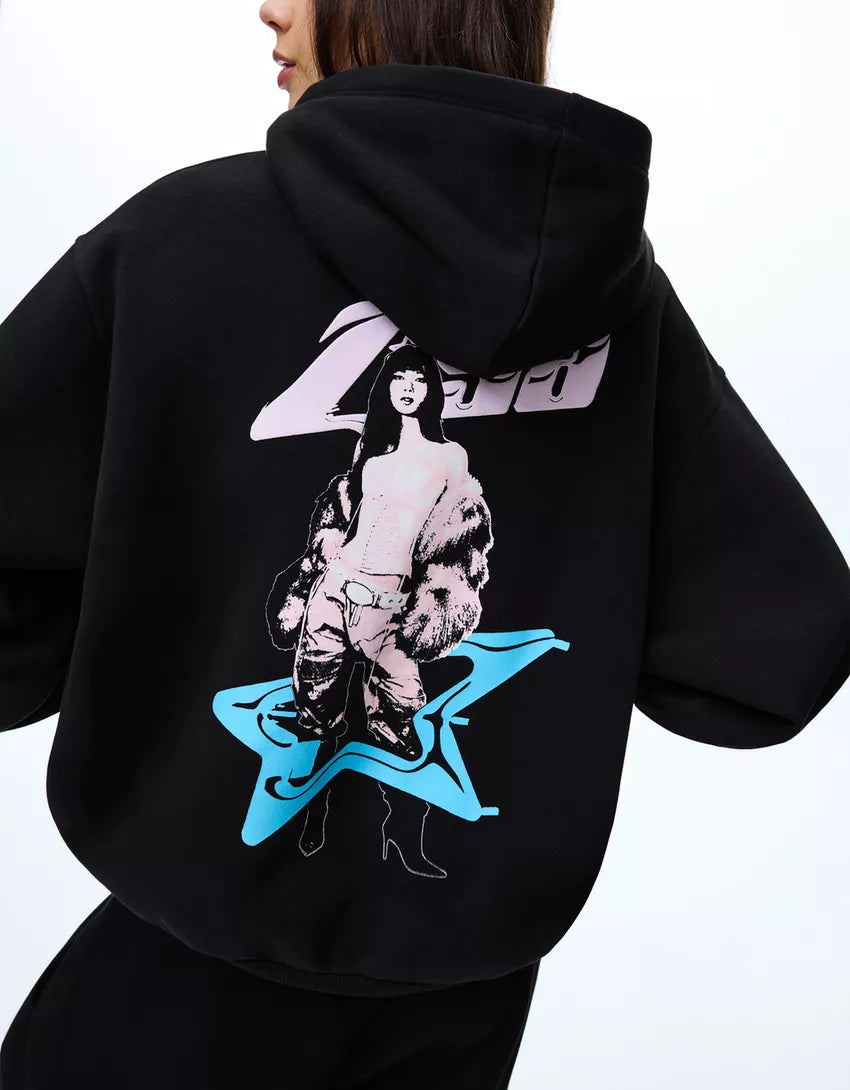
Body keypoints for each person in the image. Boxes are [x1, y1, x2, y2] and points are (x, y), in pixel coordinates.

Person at [2, 0, 850, 1087]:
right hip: (456, 1022)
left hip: (166, 998)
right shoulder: (614, 298)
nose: (269, 6)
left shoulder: (177, 241)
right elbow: (766, 651)